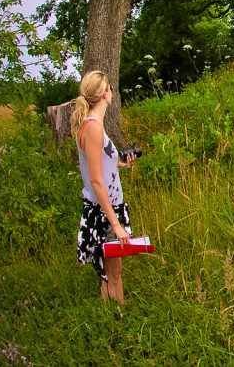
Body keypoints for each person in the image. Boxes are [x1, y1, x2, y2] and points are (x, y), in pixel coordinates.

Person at [71, 70, 137, 303]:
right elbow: (96, 180)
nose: (112, 92)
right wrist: (116, 225)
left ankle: (110, 317)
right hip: (104, 210)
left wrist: (120, 163)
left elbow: (100, 167)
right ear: (104, 93)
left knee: (108, 271)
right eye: (110, 88)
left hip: (107, 205)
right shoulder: (92, 128)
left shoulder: (94, 125)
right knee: (113, 272)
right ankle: (119, 319)